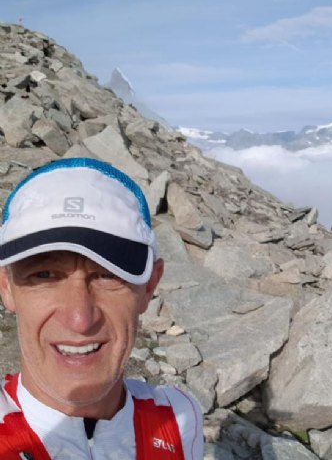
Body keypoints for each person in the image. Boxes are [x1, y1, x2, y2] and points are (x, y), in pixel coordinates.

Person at [0, 157, 203, 459]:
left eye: (108, 275)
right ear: (6, 286)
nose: (80, 319)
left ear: (149, 286)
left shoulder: (181, 417)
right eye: (44, 274)